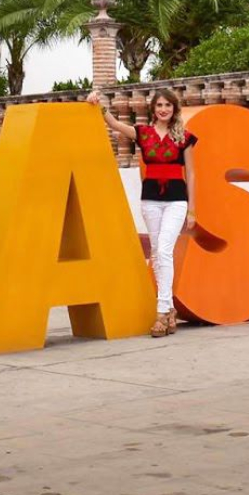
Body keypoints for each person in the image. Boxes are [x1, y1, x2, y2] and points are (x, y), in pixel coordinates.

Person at [88, 88, 196, 338]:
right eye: (159, 105)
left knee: (165, 251)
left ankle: (161, 311)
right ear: (153, 109)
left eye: (168, 105)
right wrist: (98, 103)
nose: (163, 109)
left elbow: (191, 173)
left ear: (174, 109)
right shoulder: (142, 133)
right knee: (158, 254)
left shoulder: (185, 137)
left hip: (176, 200)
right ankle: (169, 311)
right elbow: (114, 123)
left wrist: (193, 209)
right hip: (150, 200)